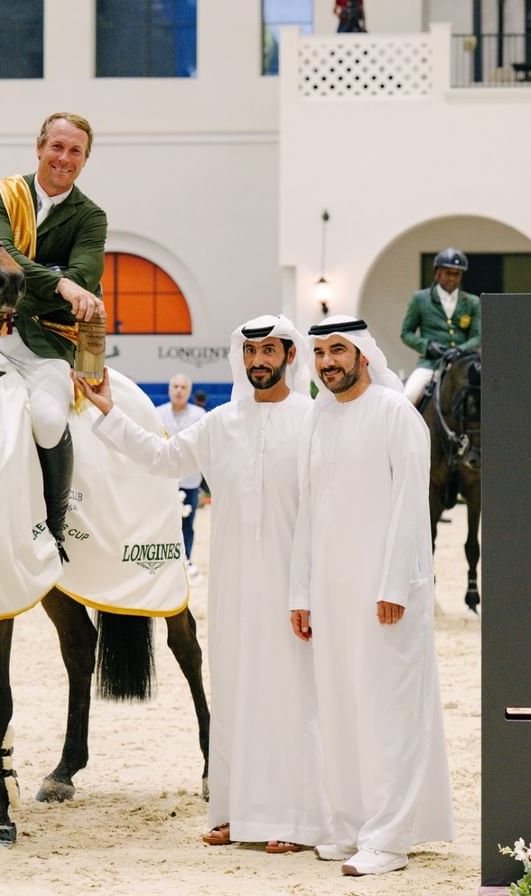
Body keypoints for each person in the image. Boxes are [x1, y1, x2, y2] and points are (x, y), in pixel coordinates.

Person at [73, 314, 327, 855]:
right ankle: (236, 812)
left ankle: (296, 818)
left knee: (289, 695)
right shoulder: (221, 424)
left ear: (289, 355)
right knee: (233, 691)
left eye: (269, 351)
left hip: (294, 587)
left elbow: (326, 511)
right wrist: (108, 410)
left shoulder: (313, 420)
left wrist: (311, 589)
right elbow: (163, 458)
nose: (258, 361)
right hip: (232, 584)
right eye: (250, 352)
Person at [290, 314, 453, 877]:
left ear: (362, 355)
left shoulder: (395, 414)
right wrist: (301, 593)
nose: (328, 362)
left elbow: (412, 506)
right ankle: (351, 826)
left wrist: (394, 585)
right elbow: (309, 509)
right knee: (339, 709)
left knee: (388, 713)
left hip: (386, 593)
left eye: (338, 350)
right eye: (319, 353)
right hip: (330, 594)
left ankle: (389, 838)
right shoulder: (320, 416)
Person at [0, 111, 107, 553]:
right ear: (38, 147)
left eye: (75, 151)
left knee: (49, 421)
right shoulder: (1, 194)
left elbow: (84, 278)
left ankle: (55, 529)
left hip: (48, 345)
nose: (64, 158)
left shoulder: (91, 218)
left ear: (85, 159)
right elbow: (1, 256)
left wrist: (28, 293)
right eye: (57, 146)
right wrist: (60, 283)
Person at [401, 247, 481, 405]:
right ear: (437, 273)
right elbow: (406, 333)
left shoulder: (472, 302)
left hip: (463, 364)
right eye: (448, 273)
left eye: (457, 274)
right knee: (408, 397)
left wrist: (460, 350)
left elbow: (478, 337)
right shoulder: (420, 299)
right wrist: (427, 346)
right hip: (431, 364)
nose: (452, 278)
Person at [156, 373, 207, 581]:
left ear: (189, 391)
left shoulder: (200, 415)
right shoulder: (158, 413)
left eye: (183, 387)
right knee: (162, 522)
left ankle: (186, 560)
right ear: (169, 389)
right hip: (163, 479)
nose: (178, 390)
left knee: (187, 522)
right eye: (175, 386)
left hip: (189, 479)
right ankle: (163, 563)